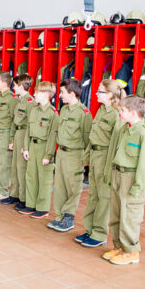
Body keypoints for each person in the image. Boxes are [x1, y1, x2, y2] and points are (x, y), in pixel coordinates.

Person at [102, 95, 145, 265]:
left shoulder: (143, 133)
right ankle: (119, 246)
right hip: (118, 175)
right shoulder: (125, 129)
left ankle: (132, 251)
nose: (120, 114)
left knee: (129, 216)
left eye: (122, 111)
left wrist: (138, 185)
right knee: (117, 214)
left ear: (133, 112)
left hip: (131, 178)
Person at [76, 80, 124, 248]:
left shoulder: (117, 114)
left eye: (100, 91)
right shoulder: (102, 110)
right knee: (93, 195)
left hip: (106, 157)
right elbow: (93, 137)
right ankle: (90, 229)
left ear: (110, 95)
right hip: (96, 154)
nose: (96, 93)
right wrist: (86, 157)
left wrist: (109, 166)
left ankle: (99, 234)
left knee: (104, 197)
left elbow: (115, 143)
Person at [48, 78, 93, 232]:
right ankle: (59, 216)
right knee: (60, 186)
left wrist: (85, 161)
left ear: (72, 93)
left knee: (73, 187)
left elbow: (87, 139)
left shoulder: (84, 113)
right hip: (61, 153)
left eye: (62, 92)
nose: (60, 95)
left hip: (75, 155)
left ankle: (69, 217)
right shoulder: (64, 110)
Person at [20, 81, 59, 218]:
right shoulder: (34, 110)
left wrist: (48, 155)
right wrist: (26, 148)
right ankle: (31, 204)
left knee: (44, 179)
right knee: (31, 176)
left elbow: (52, 136)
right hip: (32, 145)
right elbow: (28, 131)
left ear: (47, 94)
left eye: (38, 92)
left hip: (44, 147)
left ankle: (42, 208)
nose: (35, 94)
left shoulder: (53, 113)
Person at [4, 74, 35, 207]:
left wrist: (25, 144)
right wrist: (11, 139)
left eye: (15, 85)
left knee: (22, 168)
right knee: (15, 167)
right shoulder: (20, 100)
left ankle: (23, 198)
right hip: (17, 134)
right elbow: (14, 122)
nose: (13, 87)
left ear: (21, 86)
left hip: (24, 135)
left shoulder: (30, 102)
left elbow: (30, 125)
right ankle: (15, 194)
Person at [0, 71, 18, 200]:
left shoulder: (12, 99)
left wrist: (12, 139)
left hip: (5, 135)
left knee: (4, 164)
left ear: (5, 83)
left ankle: (4, 190)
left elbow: (14, 121)